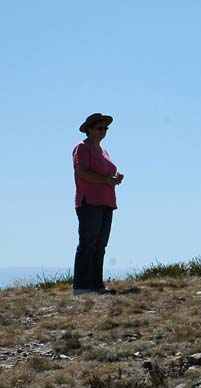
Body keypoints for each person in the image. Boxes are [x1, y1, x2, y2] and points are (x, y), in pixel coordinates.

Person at [72, 113, 124, 295]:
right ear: (89, 129)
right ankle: (81, 285)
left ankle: (96, 285)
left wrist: (114, 179)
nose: (103, 131)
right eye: (99, 128)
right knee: (88, 243)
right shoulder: (82, 148)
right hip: (90, 201)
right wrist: (106, 180)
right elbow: (82, 172)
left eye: (105, 128)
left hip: (106, 202)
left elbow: (104, 176)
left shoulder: (103, 151)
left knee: (100, 245)